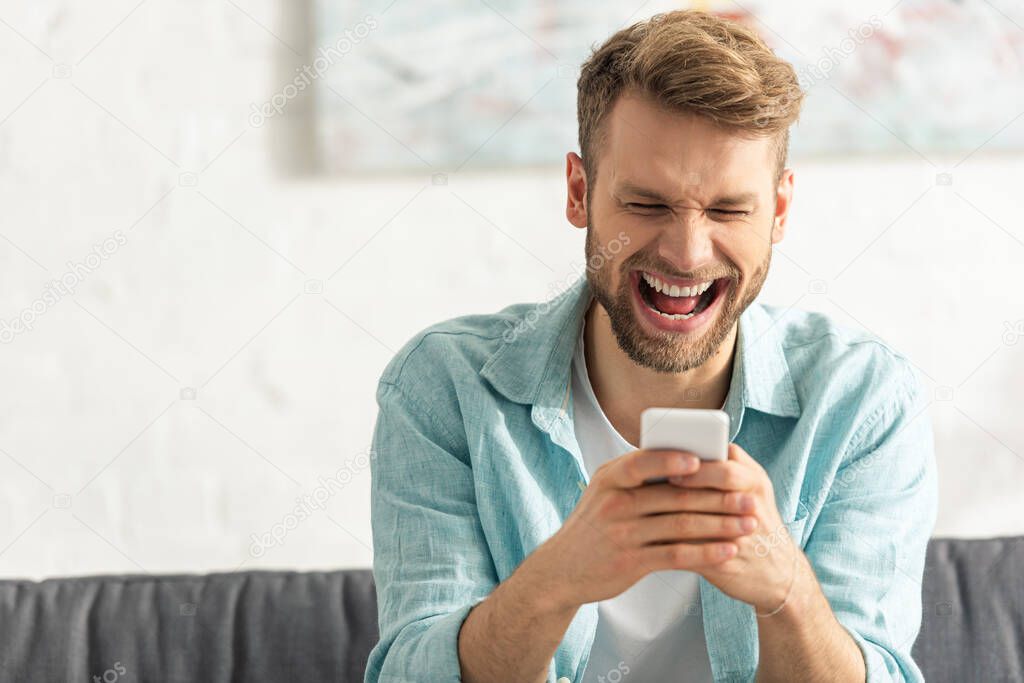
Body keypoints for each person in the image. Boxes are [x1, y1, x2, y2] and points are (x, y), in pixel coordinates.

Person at [364, 9, 936, 683]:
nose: (687, 253)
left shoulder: (863, 401)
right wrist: (557, 577)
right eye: (646, 204)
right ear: (580, 193)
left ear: (779, 211)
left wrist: (787, 590)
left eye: (728, 210)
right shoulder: (444, 388)